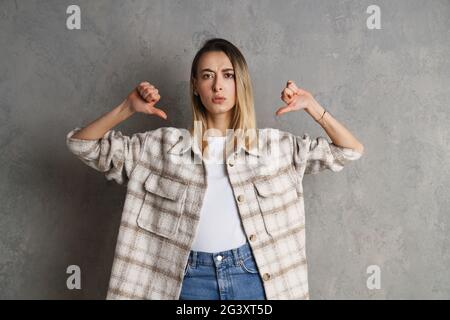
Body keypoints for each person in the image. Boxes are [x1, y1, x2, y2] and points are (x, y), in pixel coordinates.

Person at [66, 38, 364, 300]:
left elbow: (349, 150)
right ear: (196, 86)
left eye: (227, 75)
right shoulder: (159, 148)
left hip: (253, 278)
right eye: (207, 76)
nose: (217, 85)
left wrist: (313, 107)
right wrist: (127, 109)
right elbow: (83, 145)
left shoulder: (275, 148)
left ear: (240, 83)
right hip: (185, 281)